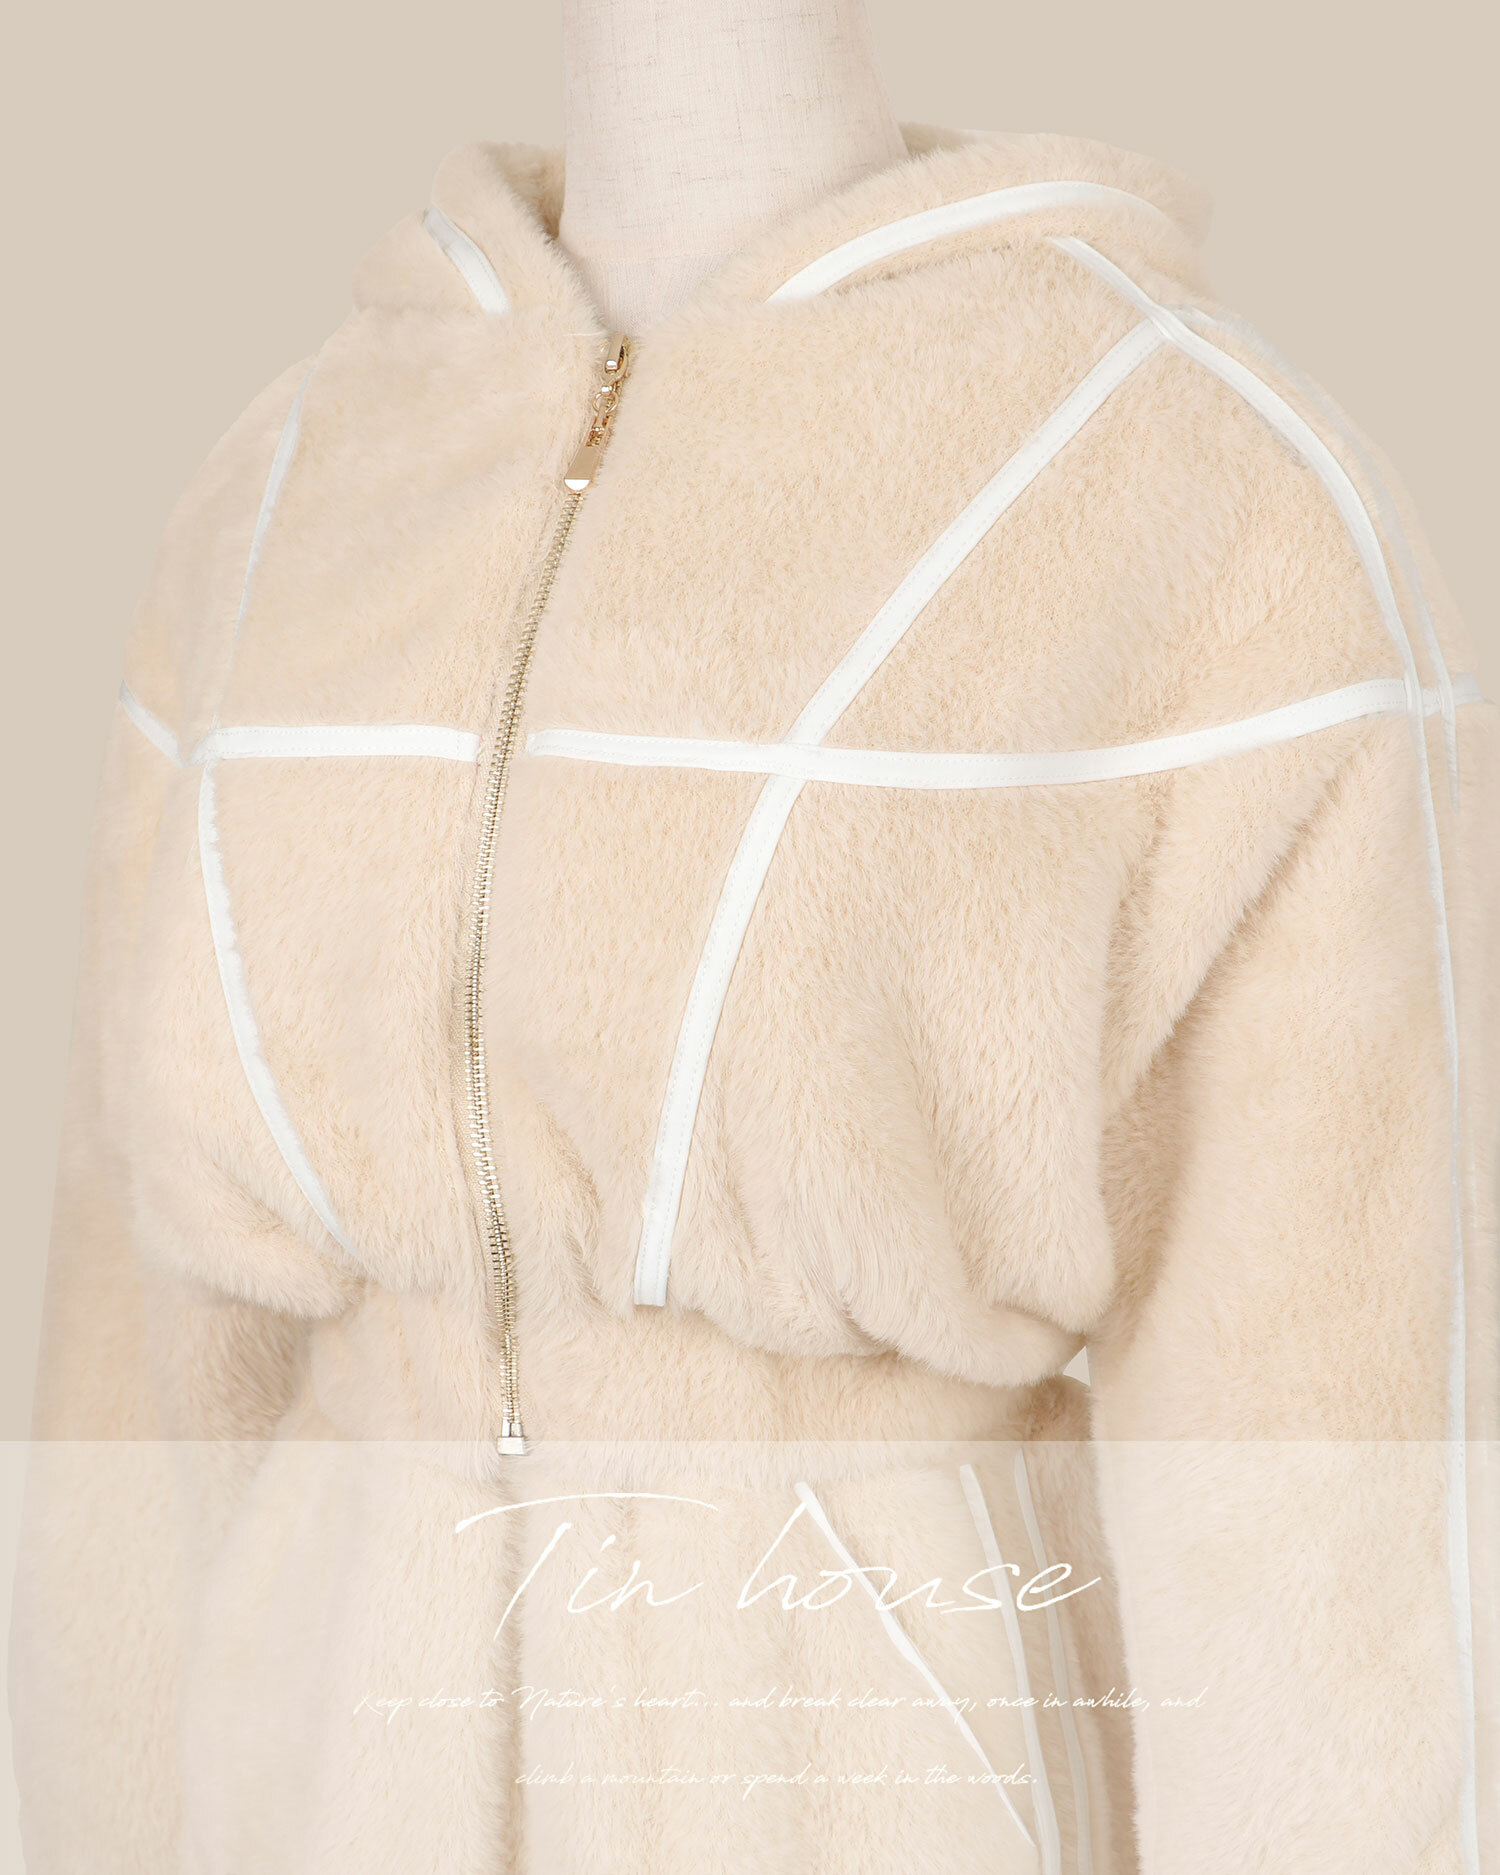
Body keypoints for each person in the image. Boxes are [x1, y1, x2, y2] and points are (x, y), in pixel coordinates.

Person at [12, 3, 1497, 1870]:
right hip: (319, 1780)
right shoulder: (284, 489)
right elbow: (140, 1385)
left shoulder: (1202, 500)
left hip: (880, 1767)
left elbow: (1328, 1513)